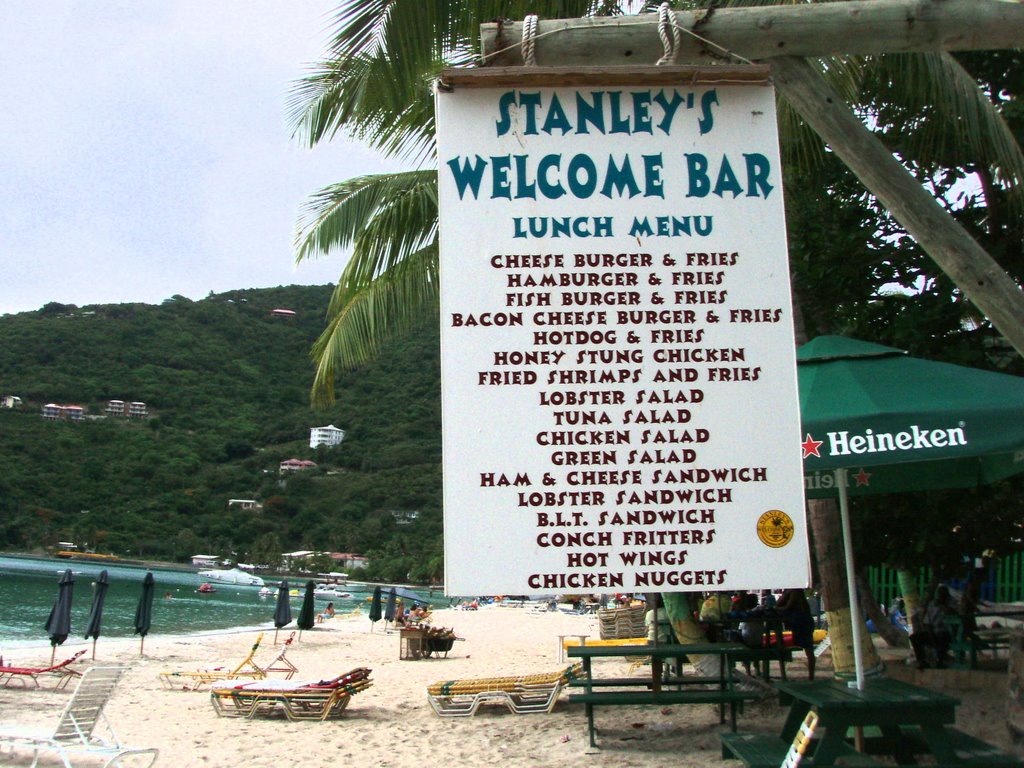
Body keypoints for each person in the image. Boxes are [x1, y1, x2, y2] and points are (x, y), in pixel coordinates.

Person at [910, 585, 955, 669]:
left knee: (942, 636)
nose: (940, 596)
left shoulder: (951, 603)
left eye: (943, 594)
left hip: (947, 632)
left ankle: (940, 661)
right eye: (939, 594)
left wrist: (942, 606)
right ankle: (922, 661)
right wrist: (929, 631)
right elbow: (927, 622)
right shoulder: (932, 604)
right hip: (934, 632)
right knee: (914, 638)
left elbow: (953, 613)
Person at [776, 588, 816, 680]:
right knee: (807, 649)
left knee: (808, 650)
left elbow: (787, 607)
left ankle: (811, 677)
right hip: (797, 623)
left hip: (804, 622)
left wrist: (775, 608)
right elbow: (779, 604)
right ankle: (810, 676)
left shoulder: (796, 591)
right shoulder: (788, 591)